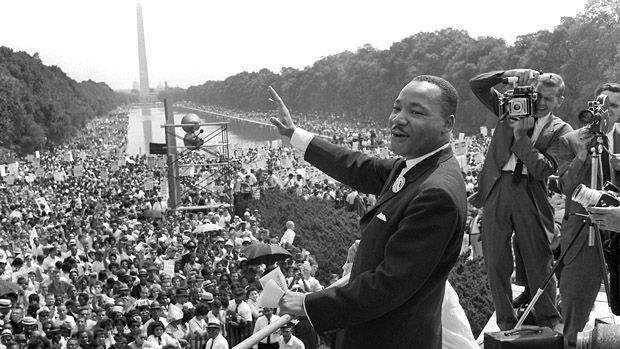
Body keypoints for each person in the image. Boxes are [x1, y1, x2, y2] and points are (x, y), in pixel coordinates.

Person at [270, 75, 467, 349]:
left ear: (448, 124)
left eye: (416, 112)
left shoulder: (436, 193)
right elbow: (357, 166)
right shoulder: (416, 166)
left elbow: (390, 285)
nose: (399, 118)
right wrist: (295, 135)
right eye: (397, 108)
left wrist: (309, 303)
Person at [469, 69, 572, 331]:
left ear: (559, 101)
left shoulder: (561, 130)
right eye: (537, 94)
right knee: (495, 261)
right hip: (497, 188)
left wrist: (520, 138)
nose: (540, 102)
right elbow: (477, 86)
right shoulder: (510, 107)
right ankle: (506, 321)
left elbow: (543, 169)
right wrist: (506, 74)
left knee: (539, 260)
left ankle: (549, 321)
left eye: (548, 99)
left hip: (531, 191)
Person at [557, 82, 620, 349]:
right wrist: (581, 156)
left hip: (617, 232)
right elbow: (565, 187)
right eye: (604, 104)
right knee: (576, 304)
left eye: (615, 106)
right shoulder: (571, 140)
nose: (608, 111)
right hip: (582, 233)